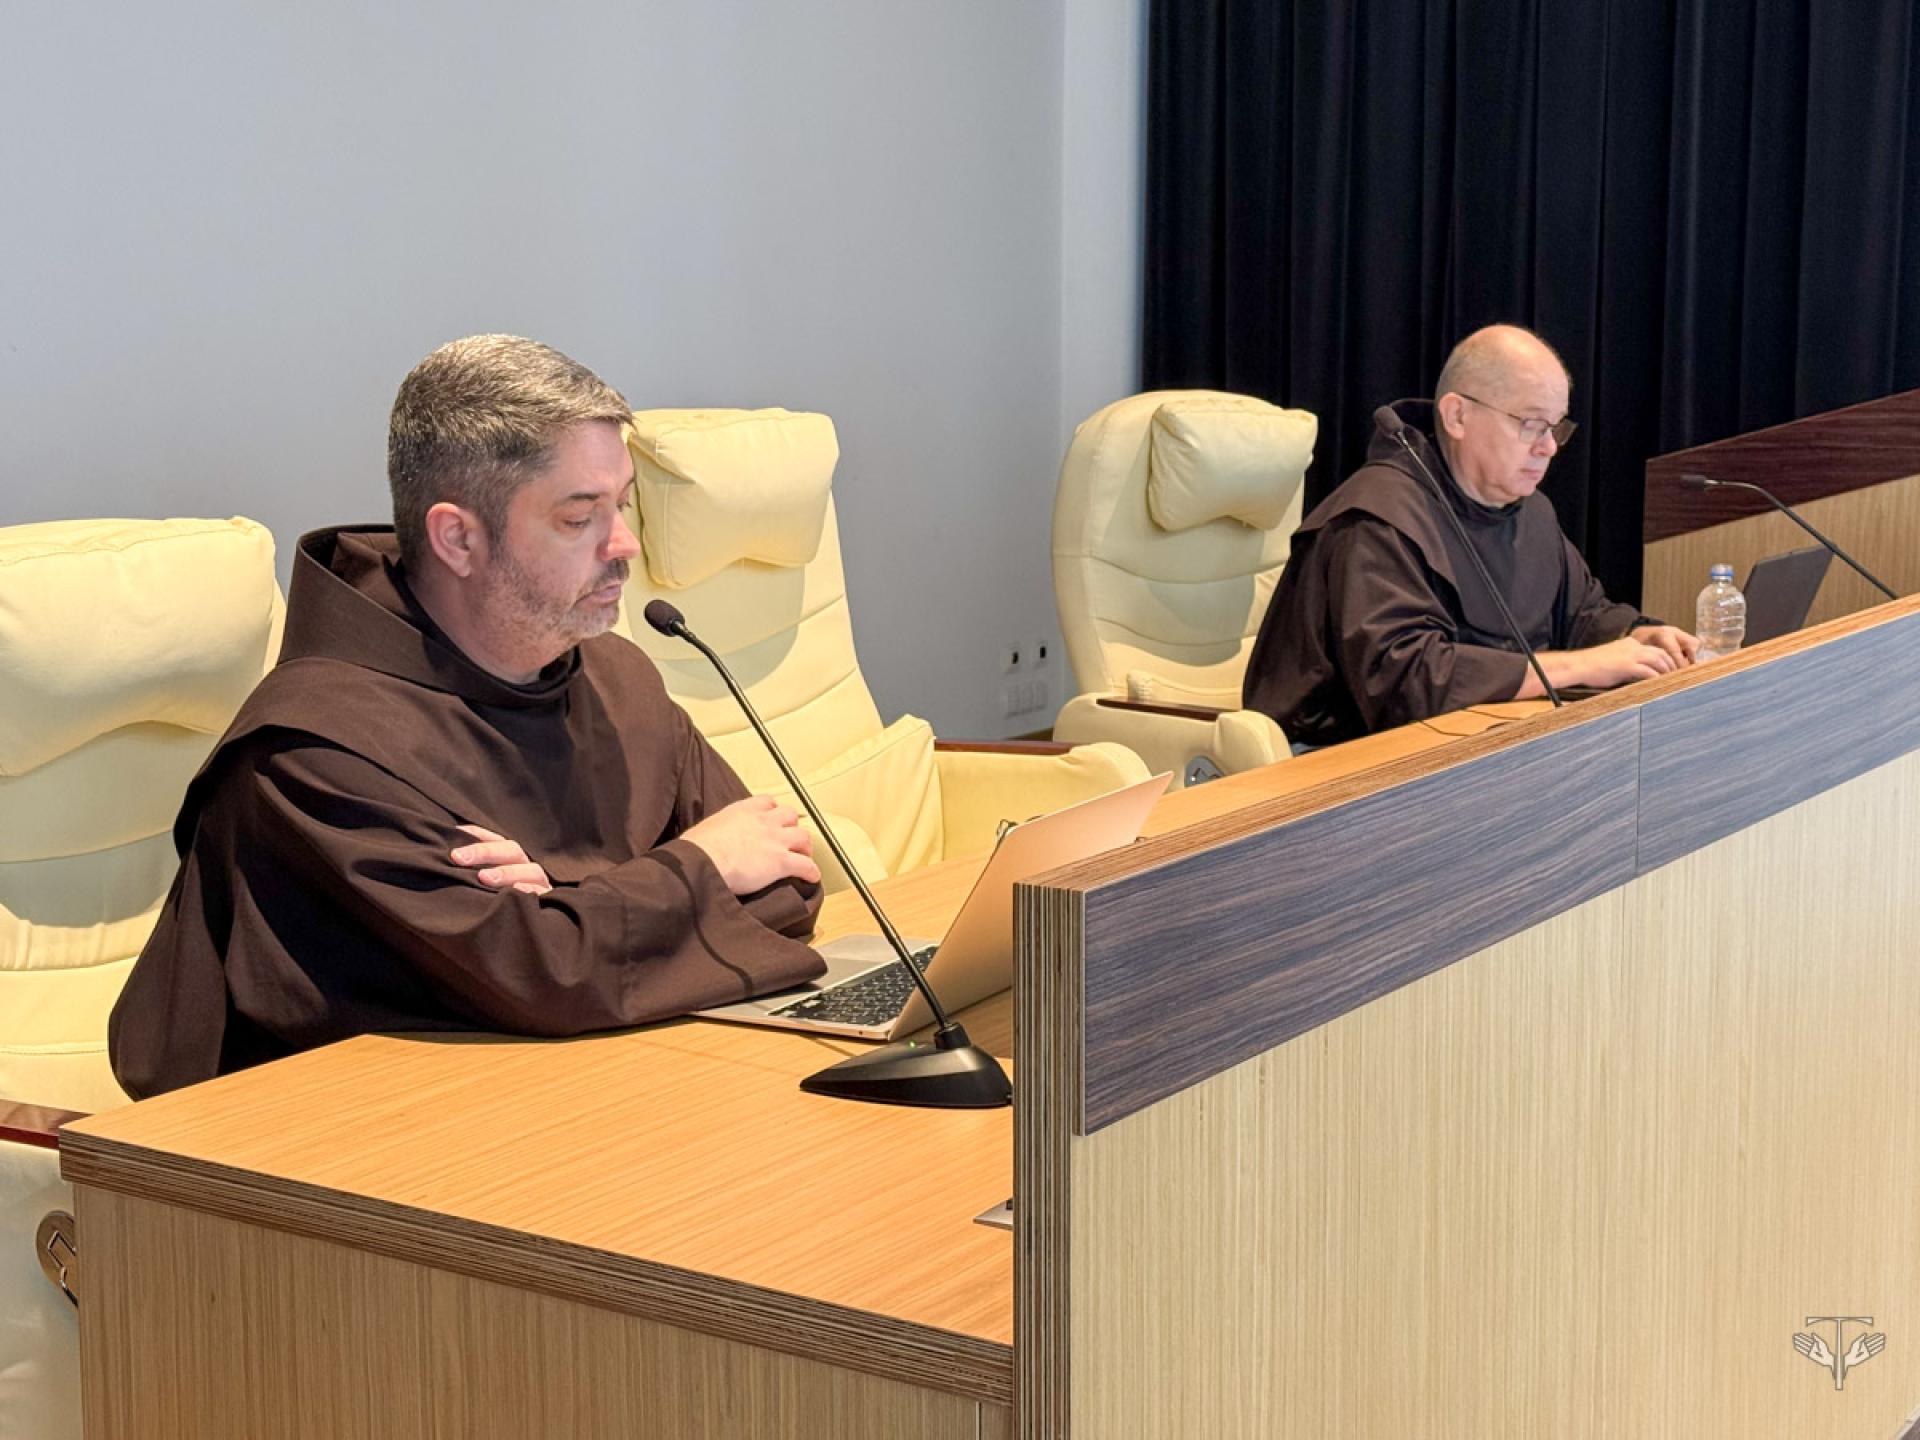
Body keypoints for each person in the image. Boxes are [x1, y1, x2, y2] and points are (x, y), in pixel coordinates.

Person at [110, 335, 826, 1098]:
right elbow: (545, 980)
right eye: (579, 518)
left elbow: (788, 885)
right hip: (340, 1137)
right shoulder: (318, 748)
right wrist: (691, 873)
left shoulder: (621, 682)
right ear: (458, 538)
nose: (624, 546)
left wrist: (570, 907)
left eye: (621, 505)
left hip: (586, 1089)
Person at [1242, 325, 1698, 746]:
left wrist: (1639, 636)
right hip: (1341, 764)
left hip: (1478, 745)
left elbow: (1582, 615)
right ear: (1457, 416)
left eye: (1556, 427)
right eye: (1531, 424)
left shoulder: (1531, 511)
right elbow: (1410, 684)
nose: (1548, 447)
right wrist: (1586, 665)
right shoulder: (1377, 520)